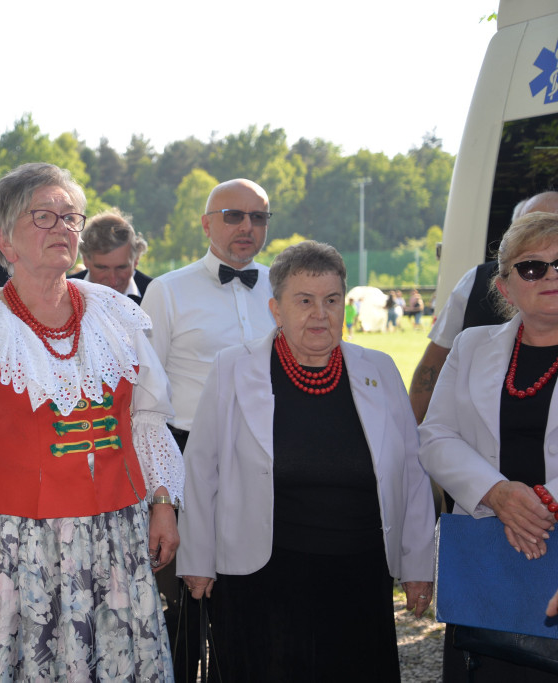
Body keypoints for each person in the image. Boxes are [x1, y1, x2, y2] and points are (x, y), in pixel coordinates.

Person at [0, 162, 183, 680]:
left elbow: (148, 419)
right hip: (16, 547)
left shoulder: (115, 312)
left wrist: (164, 504)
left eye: (70, 217)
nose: (63, 227)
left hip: (115, 540)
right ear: (5, 240)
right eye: (45, 216)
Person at [178, 240, 436, 682]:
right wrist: (198, 560)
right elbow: (202, 471)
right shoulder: (233, 369)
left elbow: (411, 472)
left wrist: (417, 564)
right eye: (305, 301)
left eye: (332, 300)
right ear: (276, 309)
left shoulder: (380, 369)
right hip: (262, 577)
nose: (321, 313)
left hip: (359, 574)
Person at [140, 177, 276, 679]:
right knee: (184, 609)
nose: (246, 226)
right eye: (233, 216)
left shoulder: (285, 289)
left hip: (264, 459)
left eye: (258, 217)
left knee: (253, 596)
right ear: (206, 223)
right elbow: (145, 397)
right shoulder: (167, 290)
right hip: (186, 455)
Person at [419, 211, 558, 681]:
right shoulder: (472, 345)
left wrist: (539, 505)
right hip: (487, 549)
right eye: (533, 267)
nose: (551, 275)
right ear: (504, 287)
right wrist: (497, 494)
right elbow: (435, 436)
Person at [409, 191, 558, 424]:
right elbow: (434, 361)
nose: (547, 237)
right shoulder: (474, 282)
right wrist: (409, 432)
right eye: (534, 227)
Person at [69, 207, 152, 303]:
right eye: (102, 268)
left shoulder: (157, 295)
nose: (113, 279)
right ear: (85, 260)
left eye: (121, 267)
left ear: (136, 260)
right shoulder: (63, 294)